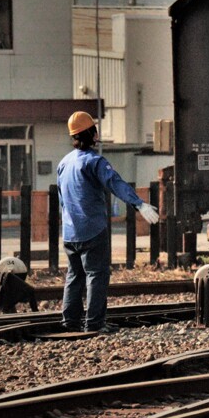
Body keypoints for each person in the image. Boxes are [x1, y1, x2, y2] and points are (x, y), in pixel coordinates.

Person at [58, 111, 159, 333]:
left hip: (69, 231)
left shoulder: (64, 163)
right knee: (96, 274)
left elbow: (62, 200)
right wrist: (138, 204)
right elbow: (115, 183)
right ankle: (94, 324)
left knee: (74, 276)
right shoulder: (95, 162)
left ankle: (70, 322)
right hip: (92, 229)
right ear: (92, 134)